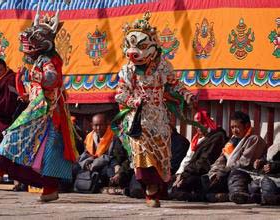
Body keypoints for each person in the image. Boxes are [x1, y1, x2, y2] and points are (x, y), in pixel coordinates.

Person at [0, 9, 78, 202]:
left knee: (49, 150)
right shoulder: (38, 59)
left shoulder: (49, 60)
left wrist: (35, 77)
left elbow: (52, 79)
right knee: (17, 135)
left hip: (49, 112)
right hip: (37, 109)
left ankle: (48, 188)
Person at [114, 12, 195, 208]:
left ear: (154, 47)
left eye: (141, 47)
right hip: (138, 120)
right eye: (131, 47)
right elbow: (120, 94)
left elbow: (176, 85)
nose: (134, 53)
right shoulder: (127, 71)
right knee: (143, 154)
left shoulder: (163, 68)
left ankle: (156, 190)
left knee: (161, 157)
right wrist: (134, 101)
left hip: (159, 119)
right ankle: (150, 190)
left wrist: (187, 94)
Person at [203, 111, 267, 202]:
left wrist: (224, 171)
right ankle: (224, 196)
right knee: (201, 180)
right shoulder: (232, 141)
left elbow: (245, 163)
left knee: (236, 175)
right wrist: (215, 173)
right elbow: (221, 160)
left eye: (237, 127)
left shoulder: (254, 139)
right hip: (227, 172)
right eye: (232, 127)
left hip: (246, 174)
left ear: (247, 125)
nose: (234, 130)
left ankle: (237, 195)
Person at [169, 110, 227, 201]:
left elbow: (204, 162)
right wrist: (179, 174)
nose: (198, 127)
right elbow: (187, 159)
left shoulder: (217, 137)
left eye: (201, 124)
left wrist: (184, 174)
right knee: (165, 184)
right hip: (190, 171)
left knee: (176, 190)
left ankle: (207, 197)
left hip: (205, 174)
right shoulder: (197, 139)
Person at [73, 113, 129, 192]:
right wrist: (88, 163)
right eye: (95, 125)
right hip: (91, 164)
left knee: (109, 171)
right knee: (75, 168)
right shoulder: (89, 137)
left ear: (107, 124)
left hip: (106, 164)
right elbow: (86, 153)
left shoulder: (114, 137)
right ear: (92, 125)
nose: (98, 128)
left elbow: (115, 158)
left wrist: (97, 163)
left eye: (101, 125)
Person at [228, 141, 280, 205]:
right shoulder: (276, 146)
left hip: (274, 181)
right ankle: (239, 194)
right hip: (261, 178)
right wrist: (260, 162)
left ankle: (257, 198)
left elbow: (275, 164)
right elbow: (266, 158)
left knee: (266, 184)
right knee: (237, 172)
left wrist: (274, 166)